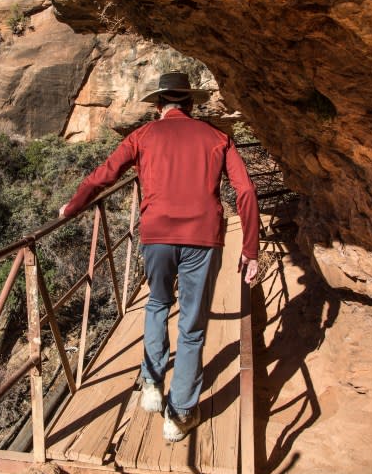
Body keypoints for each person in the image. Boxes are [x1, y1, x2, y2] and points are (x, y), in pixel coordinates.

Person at [59, 71, 260, 442]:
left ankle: (151, 382)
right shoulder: (219, 138)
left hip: (156, 235)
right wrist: (250, 250)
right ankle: (180, 414)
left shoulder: (143, 136)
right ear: (190, 104)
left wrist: (73, 207)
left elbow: (104, 174)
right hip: (203, 238)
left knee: (156, 304)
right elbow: (245, 191)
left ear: (158, 106)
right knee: (193, 325)